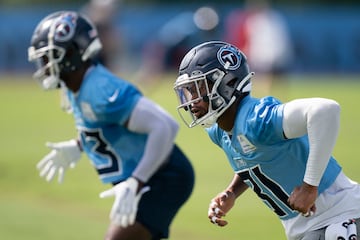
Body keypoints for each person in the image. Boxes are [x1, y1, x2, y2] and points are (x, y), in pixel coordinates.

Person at [28, 11, 195, 240]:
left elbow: (165, 126)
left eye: (49, 57)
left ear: (72, 54)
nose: (44, 66)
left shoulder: (100, 90)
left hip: (163, 177)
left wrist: (137, 181)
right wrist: (79, 145)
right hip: (149, 176)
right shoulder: (76, 84)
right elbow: (101, 122)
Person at [173, 41, 360, 240]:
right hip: (304, 226)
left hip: (339, 215)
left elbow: (326, 111)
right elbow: (255, 157)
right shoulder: (218, 131)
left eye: (198, 88)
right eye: (189, 91)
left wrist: (309, 186)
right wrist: (232, 192)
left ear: (226, 83)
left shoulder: (258, 119)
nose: (191, 100)